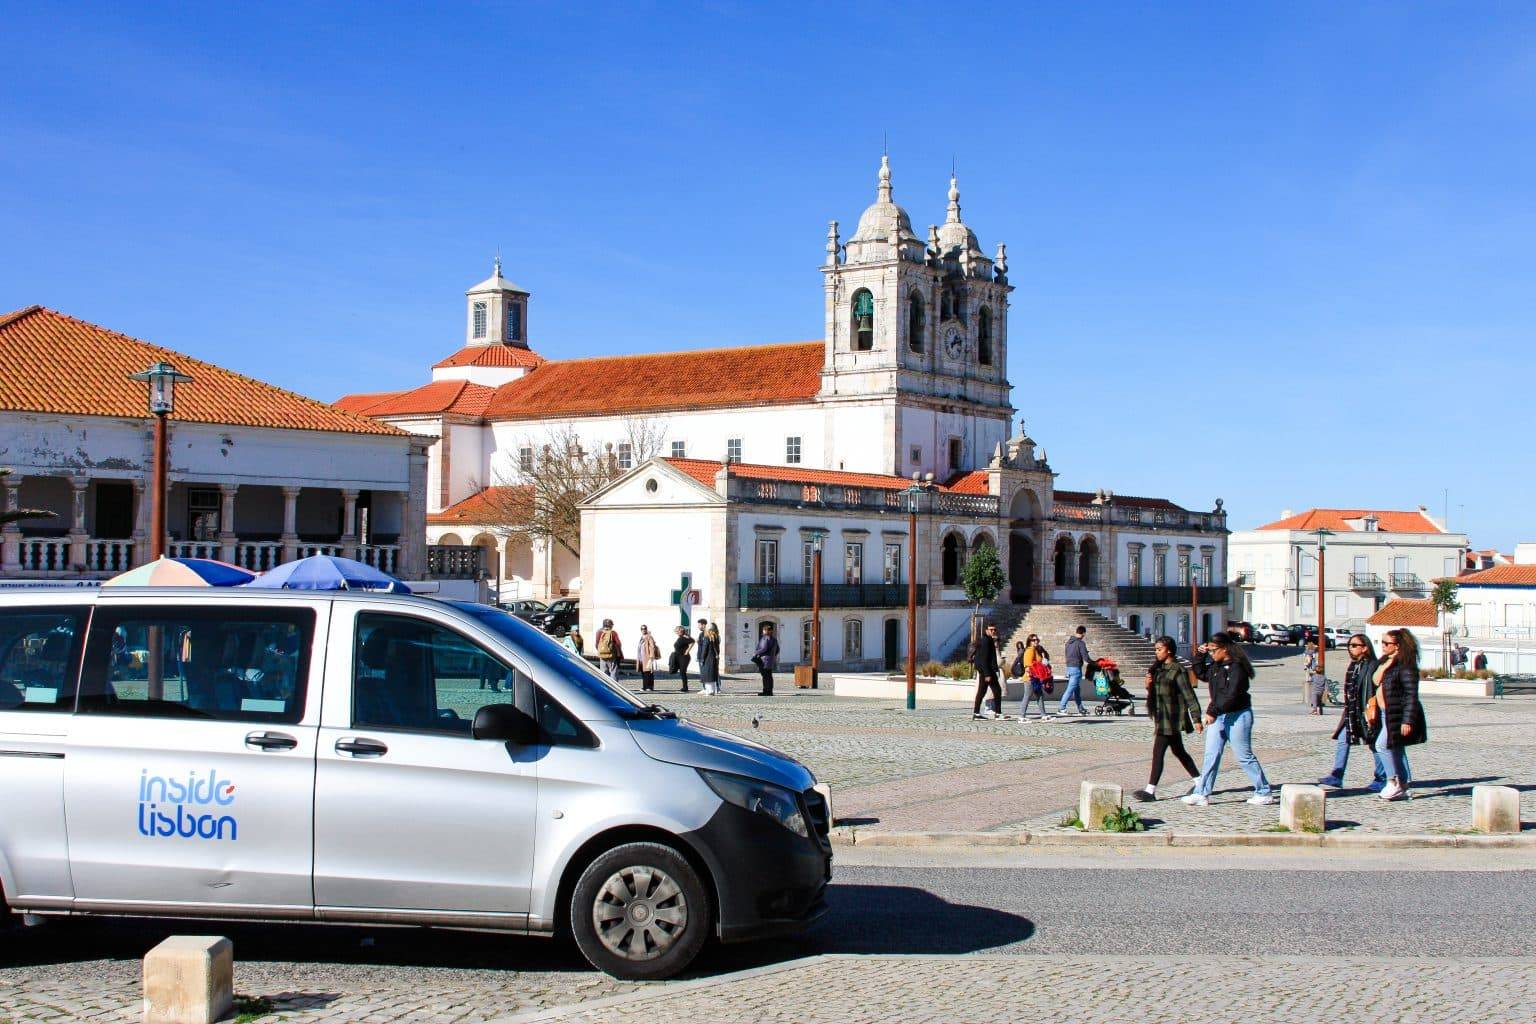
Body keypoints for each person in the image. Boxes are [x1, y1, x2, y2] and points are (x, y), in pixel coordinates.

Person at [1182, 631, 1274, 806]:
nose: (1211, 653)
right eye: (1209, 651)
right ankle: (1202, 792)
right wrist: (1199, 655)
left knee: (1244, 755)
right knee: (1211, 754)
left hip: (1238, 715)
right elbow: (1201, 673)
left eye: (1213, 650)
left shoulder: (1238, 668)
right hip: (1219, 715)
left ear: (1224, 649)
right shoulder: (1216, 666)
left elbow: (1231, 695)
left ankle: (1263, 791)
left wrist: (1212, 712)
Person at [1317, 633, 1397, 791]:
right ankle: (1337, 775)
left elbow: (1373, 687)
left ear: (1365, 648)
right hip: (1351, 712)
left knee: (1374, 744)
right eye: (1349, 645)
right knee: (1343, 740)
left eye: (1354, 645)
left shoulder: (1372, 665)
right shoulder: (1353, 665)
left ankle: (1381, 778)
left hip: (1365, 711)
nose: (1350, 648)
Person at [1133, 636, 1203, 802]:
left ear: (1169, 650)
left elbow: (1189, 695)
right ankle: (1200, 781)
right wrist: (1148, 684)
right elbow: (1156, 693)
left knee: (1158, 753)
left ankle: (1150, 791)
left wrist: (1196, 718)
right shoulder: (1159, 668)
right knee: (1179, 752)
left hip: (1172, 718)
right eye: (1156, 649)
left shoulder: (1177, 670)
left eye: (1159, 649)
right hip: (1161, 716)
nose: (1156, 652)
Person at [1369, 629, 1425, 801]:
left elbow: (1411, 695)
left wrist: (1407, 720)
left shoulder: (1406, 666)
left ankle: (1392, 782)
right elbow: (1376, 681)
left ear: (1398, 646)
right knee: (1396, 749)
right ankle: (1404, 785)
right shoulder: (1386, 662)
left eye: (1387, 643)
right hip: (1386, 712)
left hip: (1397, 714)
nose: (1383, 646)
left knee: (1382, 745)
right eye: (1382, 642)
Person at [970, 622, 1003, 720]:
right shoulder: (986, 641)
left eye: (994, 630)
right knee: (997, 691)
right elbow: (984, 659)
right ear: (986, 630)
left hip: (986, 671)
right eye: (991, 629)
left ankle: (976, 713)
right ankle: (998, 713)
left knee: (981, 692)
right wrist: (987, 674)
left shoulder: (988, 640)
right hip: (987, 671)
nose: (993, 631)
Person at [1058, 625, 1091, 716]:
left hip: (1069, 667)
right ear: (1083, 633)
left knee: (1077, 690)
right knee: (1070, 689)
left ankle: (1080, 708)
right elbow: (1085, 657)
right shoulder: (1080, 643)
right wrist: (1093, 662)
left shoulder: (1068, 643)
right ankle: (1061, 708)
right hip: (1076, 668)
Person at [1021, 634, 1053, 719]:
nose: (1036, 641)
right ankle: (1022, 716)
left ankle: (1043, 715)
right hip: (1030, 678)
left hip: (1036, 678)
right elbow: (1027, 665)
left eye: (1037, 640)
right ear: (1029, 641)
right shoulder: (1030, 650)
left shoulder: (1035, 650)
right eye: (1033, 640)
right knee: (1027, 696)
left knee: (1040, 695)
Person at [753, 623, 779, 695]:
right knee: (769, 676)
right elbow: (777, 650)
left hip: (764, 660)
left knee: (765, 676)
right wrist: (772, 656)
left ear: (766, 631)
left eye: (764, 630)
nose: (763, 632)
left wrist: (756, 653)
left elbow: (764, 648)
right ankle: (770, 691)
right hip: (770, 660)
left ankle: (766, 691)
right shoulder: (774, 639)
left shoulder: (765, 638)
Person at [669, 625, 694, 692]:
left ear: (681, 630)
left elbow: (693, 641)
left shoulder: (685, 636)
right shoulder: (680, 637)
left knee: (683, 671)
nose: (676, 632)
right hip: (678, 656)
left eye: (677, 631)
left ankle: (685, 687)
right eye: (676, 631)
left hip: (684, 657)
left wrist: (687, 651)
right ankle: (684, 687)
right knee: (678, 671)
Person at [635, 625, 660, 693]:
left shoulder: (649, 637)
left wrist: (651, 655)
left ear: (646, 629)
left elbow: (652, 646)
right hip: (641, 658)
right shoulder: (641, 637)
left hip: (647, 657)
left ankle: (649, 687)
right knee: (644, 672)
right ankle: (645, 686)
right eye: (642, 629)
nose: (643, 630)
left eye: (645, 629)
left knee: (648, 672)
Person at [699, 623, 721, 695]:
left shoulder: (707, 637)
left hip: (708, 658)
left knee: (707, 674)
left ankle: (709, 691)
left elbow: (704, 649)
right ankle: (713, 690)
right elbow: (718, 649)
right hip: (714, 657)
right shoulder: (716, 637)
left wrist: (702, 659)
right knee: (713, 674)